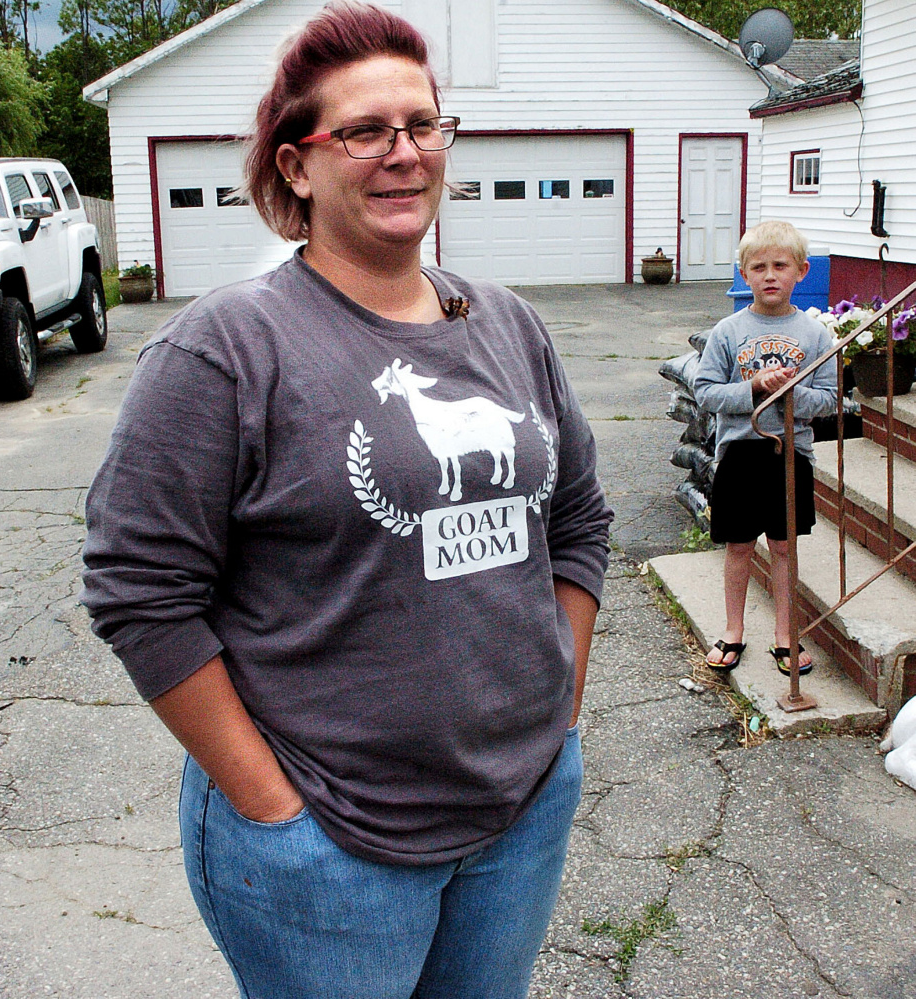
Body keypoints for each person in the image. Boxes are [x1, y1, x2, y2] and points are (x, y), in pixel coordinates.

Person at [79, 4, 613, 998]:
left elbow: (578, 522)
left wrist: (560, 712)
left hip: (522, 810)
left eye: (424, 125)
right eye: (365, 132)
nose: (404, 153)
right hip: (331, 838)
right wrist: (270, 806)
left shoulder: (510, 326)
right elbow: (139, 593)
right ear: (296, 166)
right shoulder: (225, 350)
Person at [693, 220, 836, 678]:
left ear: (802, 271)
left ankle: (785, 635)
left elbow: (830, 401)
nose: (770, 274)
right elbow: (706, 392)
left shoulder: (816, 336)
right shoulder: (728, 330)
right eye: (758, 267)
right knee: (738, 546)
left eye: (780, 265)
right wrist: (753, 386)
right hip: (739, 453)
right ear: (743, 273)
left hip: (790, 456)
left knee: (783, 547)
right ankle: (733, 631)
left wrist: (791, 393)